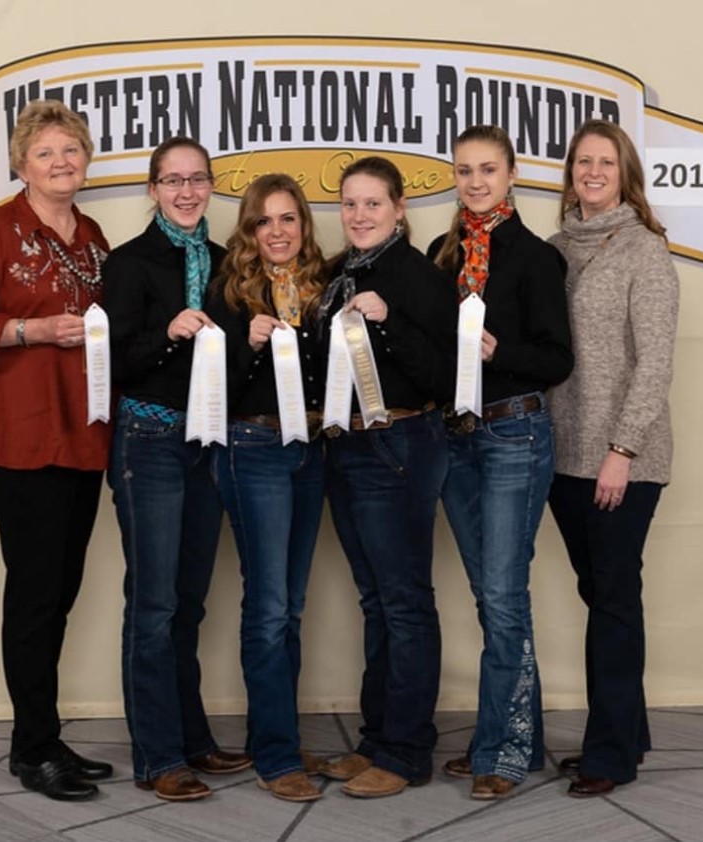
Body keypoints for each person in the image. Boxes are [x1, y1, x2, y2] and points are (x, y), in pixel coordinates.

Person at [0, 100, 114, 801]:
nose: (60, 162)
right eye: (45, 153)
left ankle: (44, 736)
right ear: (20, 164)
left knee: (60, 591)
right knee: (36, 596)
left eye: (70, 150)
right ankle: (31, 747)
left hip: (84, 434)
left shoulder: (94, 235)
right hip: (22, 434)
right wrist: (34, 333)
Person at [103, 137, 251, 802]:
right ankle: (157, 756)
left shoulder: (225, 265)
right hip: (149, 442)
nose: (186, 192)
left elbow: (237, 375)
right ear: (153, 188)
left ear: (211, 185)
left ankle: (193, 740)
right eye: (172, 181)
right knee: (155, 604)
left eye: (197, 180)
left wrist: (254, 341)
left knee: (188, 603)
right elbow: (117, 364)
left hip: (207, 447)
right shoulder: (129, 264)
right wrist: (169, 333)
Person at [427, 125, 573, 800]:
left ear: (512, 175)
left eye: (487, 169)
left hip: (513, 434)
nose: (475, 181)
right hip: (454, 439)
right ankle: (508, 733)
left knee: (505, 596)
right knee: (490, 595)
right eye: (463, 171)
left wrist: (494, 351)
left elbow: (555, 360)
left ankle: (505, 750)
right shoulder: (439, 253)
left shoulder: (534, 257)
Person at [318, 156, 458, 798]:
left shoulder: (418, 277)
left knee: (404, 602)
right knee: (376, 600)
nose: (360, 215)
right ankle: (378, 739)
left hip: (399, 444)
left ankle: (405, 751)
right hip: (346, 447)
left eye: (373, 203)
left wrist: (388, 322)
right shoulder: (333, 275)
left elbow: (445, 376)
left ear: (400, 209)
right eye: (350, 204)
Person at [547, 119, 679, 797]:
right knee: (598, 593)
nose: (591, 173)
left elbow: (653, 362)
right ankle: (627, 729)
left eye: (604, 162)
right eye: (580, 163)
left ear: (624, 173)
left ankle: (609, 755)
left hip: (622, 457)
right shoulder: (553, 249)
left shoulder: (643, 253)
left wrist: (620, 450)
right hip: (561, 454)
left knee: (614, 600)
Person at [207, 174, 328, 802]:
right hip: (251, 449)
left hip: (310, 450)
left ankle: (272, 734)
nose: (277, 231)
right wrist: (239, 342)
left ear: (303, 226)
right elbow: (203, 383)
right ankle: (278, 756)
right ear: (249, 229)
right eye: (264, 221)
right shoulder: (227, 290)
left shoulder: (323, 290)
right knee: (270, 605)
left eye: (288, 219)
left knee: (293, 605)